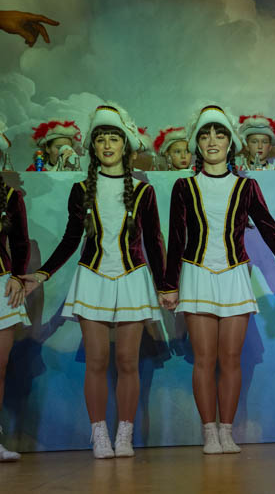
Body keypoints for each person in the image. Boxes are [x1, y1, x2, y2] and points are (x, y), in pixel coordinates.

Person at [160, 105, 275, 455]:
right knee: (204, 359)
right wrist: (169, 285)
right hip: (196, 274)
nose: (212, 141)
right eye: (205, 135)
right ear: (197, 143)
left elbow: (270, 230)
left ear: (231, 142)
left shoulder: (247, 186)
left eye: (220, 134)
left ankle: (226, 430)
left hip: (234, 276)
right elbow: (176, 239)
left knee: (231, 359)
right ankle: (209, 432)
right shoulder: (185, 186)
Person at [23, 104, 164, 459]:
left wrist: (166, 286)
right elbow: (71, 239)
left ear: (125, 145)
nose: (107, 145)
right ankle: (99, 434)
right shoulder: (81, 189)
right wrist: (42, 273)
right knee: (97, 361)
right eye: (101, 139)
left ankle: (124, 435)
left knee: (128, 361)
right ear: (94, 146)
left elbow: (154, 243)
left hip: (132, 278)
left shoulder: (144, 192)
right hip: (92, 278)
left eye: (114, 138)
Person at [0, 125, 30, 462]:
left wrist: (19, 278)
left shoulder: (10, 197)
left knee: (0, 365)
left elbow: (21, 243)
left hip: (1, 286)